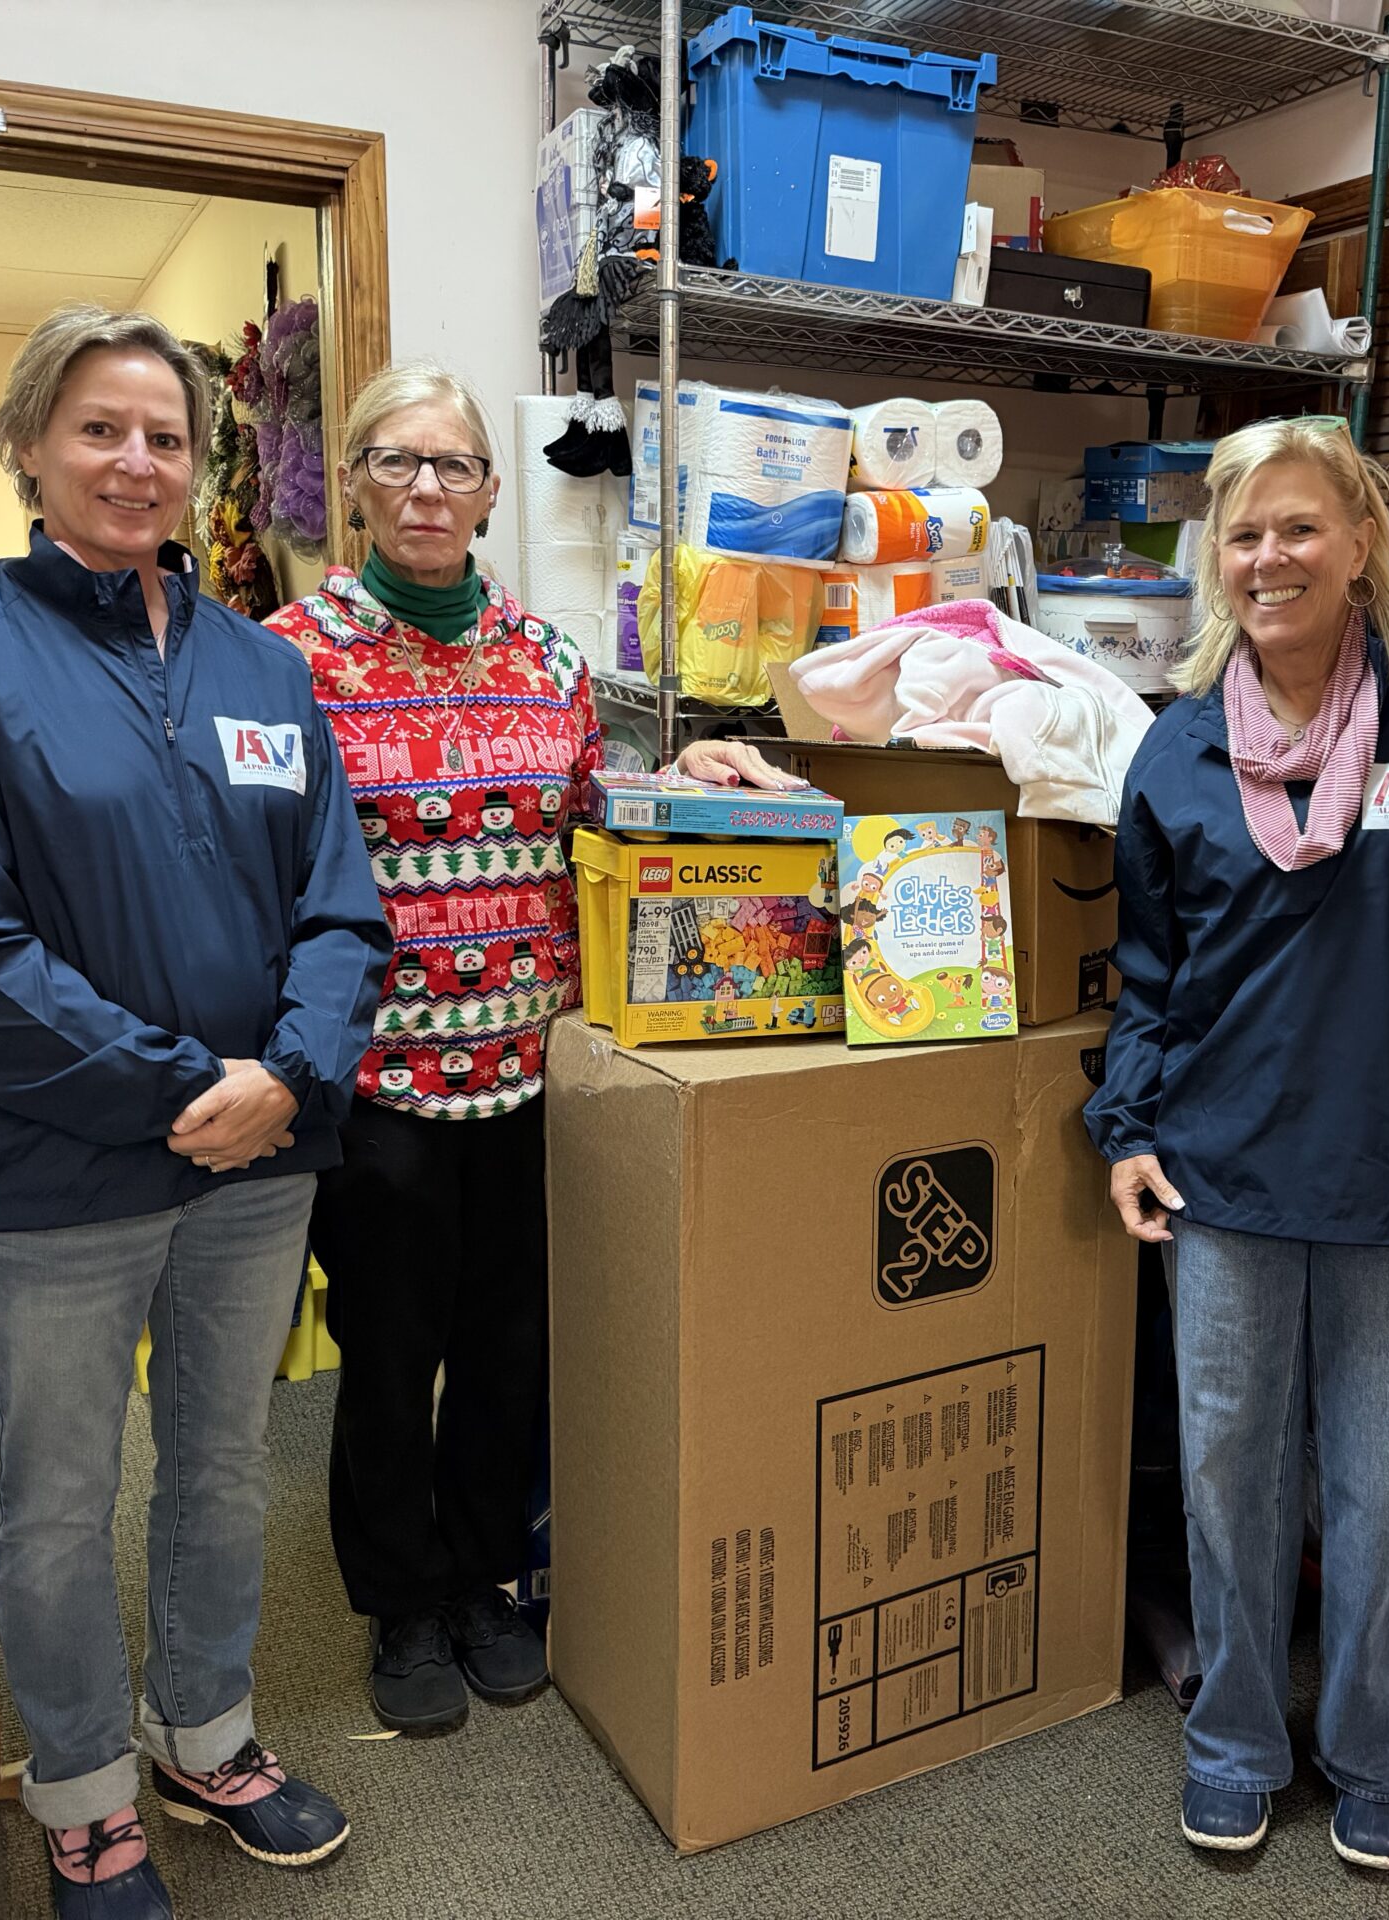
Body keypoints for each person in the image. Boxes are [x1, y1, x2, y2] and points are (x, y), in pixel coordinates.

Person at [0, 305, 392, 1920]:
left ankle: (205, 1736)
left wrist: (287, 1075)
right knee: (55, 1502)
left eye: (166, 435)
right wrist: (188, 1090)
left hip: (260, 1162)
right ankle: (86, 1795)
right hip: (51, 1177)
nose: (135, 461)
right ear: (31, 445)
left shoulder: (265, 666)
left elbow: (340, 908)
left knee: (223, 1468)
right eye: (99, 427)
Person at [266, 362, 800, 1735]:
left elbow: (583, 813)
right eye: (396, 463)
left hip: (528, 1070)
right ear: (356, 484)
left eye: (452, 465)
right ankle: (401, 1600)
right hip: (379, 1081)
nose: (426, 489)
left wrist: (683, 773)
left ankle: (483, 1577)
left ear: (491, 490)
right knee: (392, 1356)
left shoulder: (544, 656)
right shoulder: (288, 659)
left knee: (510, 1346)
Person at [1085, 415, 1389, 1872]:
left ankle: (1376, 1748)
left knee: (1388, 1493)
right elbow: (1151, 973)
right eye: (1245, 533)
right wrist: (1128, 1128)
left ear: (1363, 538)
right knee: (1230, 1481)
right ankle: (1236, 1741)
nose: (1271, 558)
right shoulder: (1179, 745)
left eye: (1301, 526)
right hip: (1225, 1177)